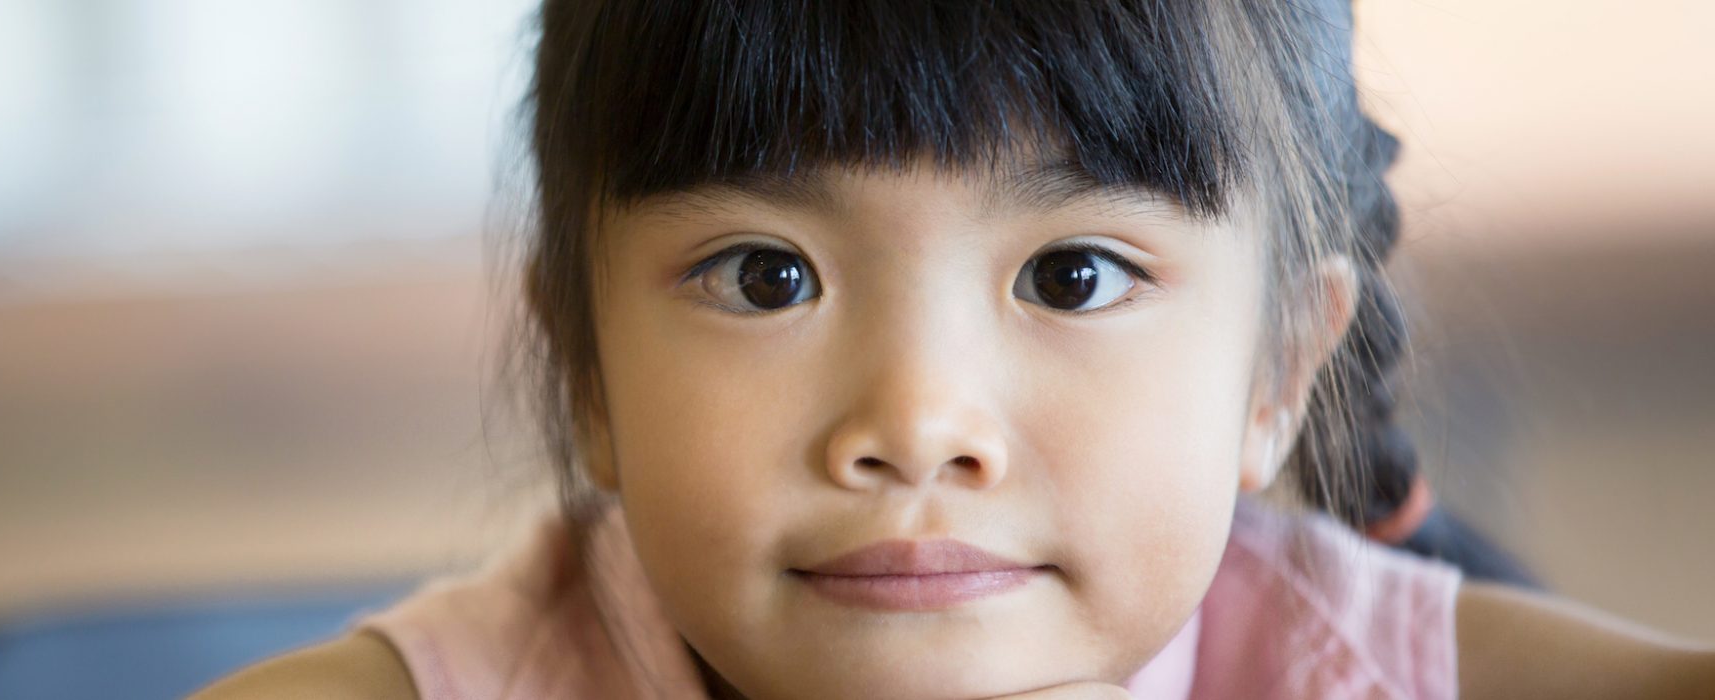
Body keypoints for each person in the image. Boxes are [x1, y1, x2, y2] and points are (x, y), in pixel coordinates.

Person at [198, 1, 1715, 697]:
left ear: (1274, 377)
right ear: (586, 369)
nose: (916, 424)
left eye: (1072, 272)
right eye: (766, 274)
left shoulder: (1348, 670)